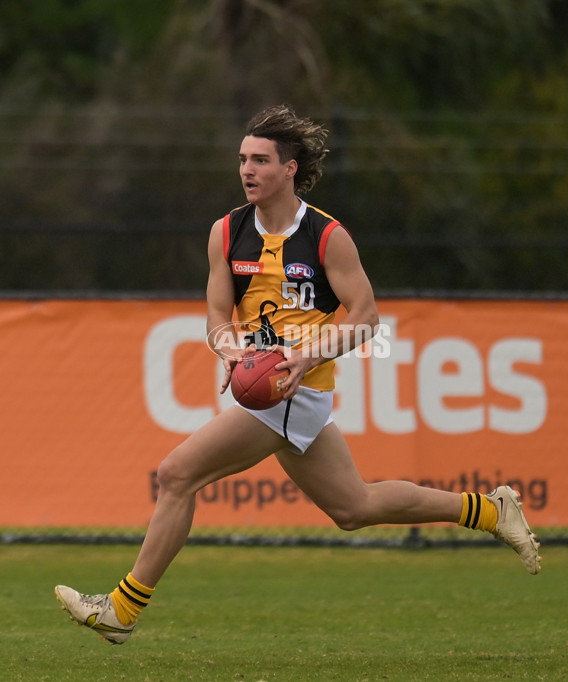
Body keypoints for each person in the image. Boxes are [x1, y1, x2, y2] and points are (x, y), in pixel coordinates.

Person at [55, 105, 541, 645]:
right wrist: (228, 347)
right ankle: (487, 509)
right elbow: (218, 316)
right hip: (267, 386)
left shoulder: (327, 236)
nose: (247, 170)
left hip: (295, 388)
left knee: (176, 474)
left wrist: (309, 355)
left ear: (289, 169)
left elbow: (366, 318)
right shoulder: (226, 232)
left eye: (261, 160)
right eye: (243, 159)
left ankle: (123, 609)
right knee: (353, 507)